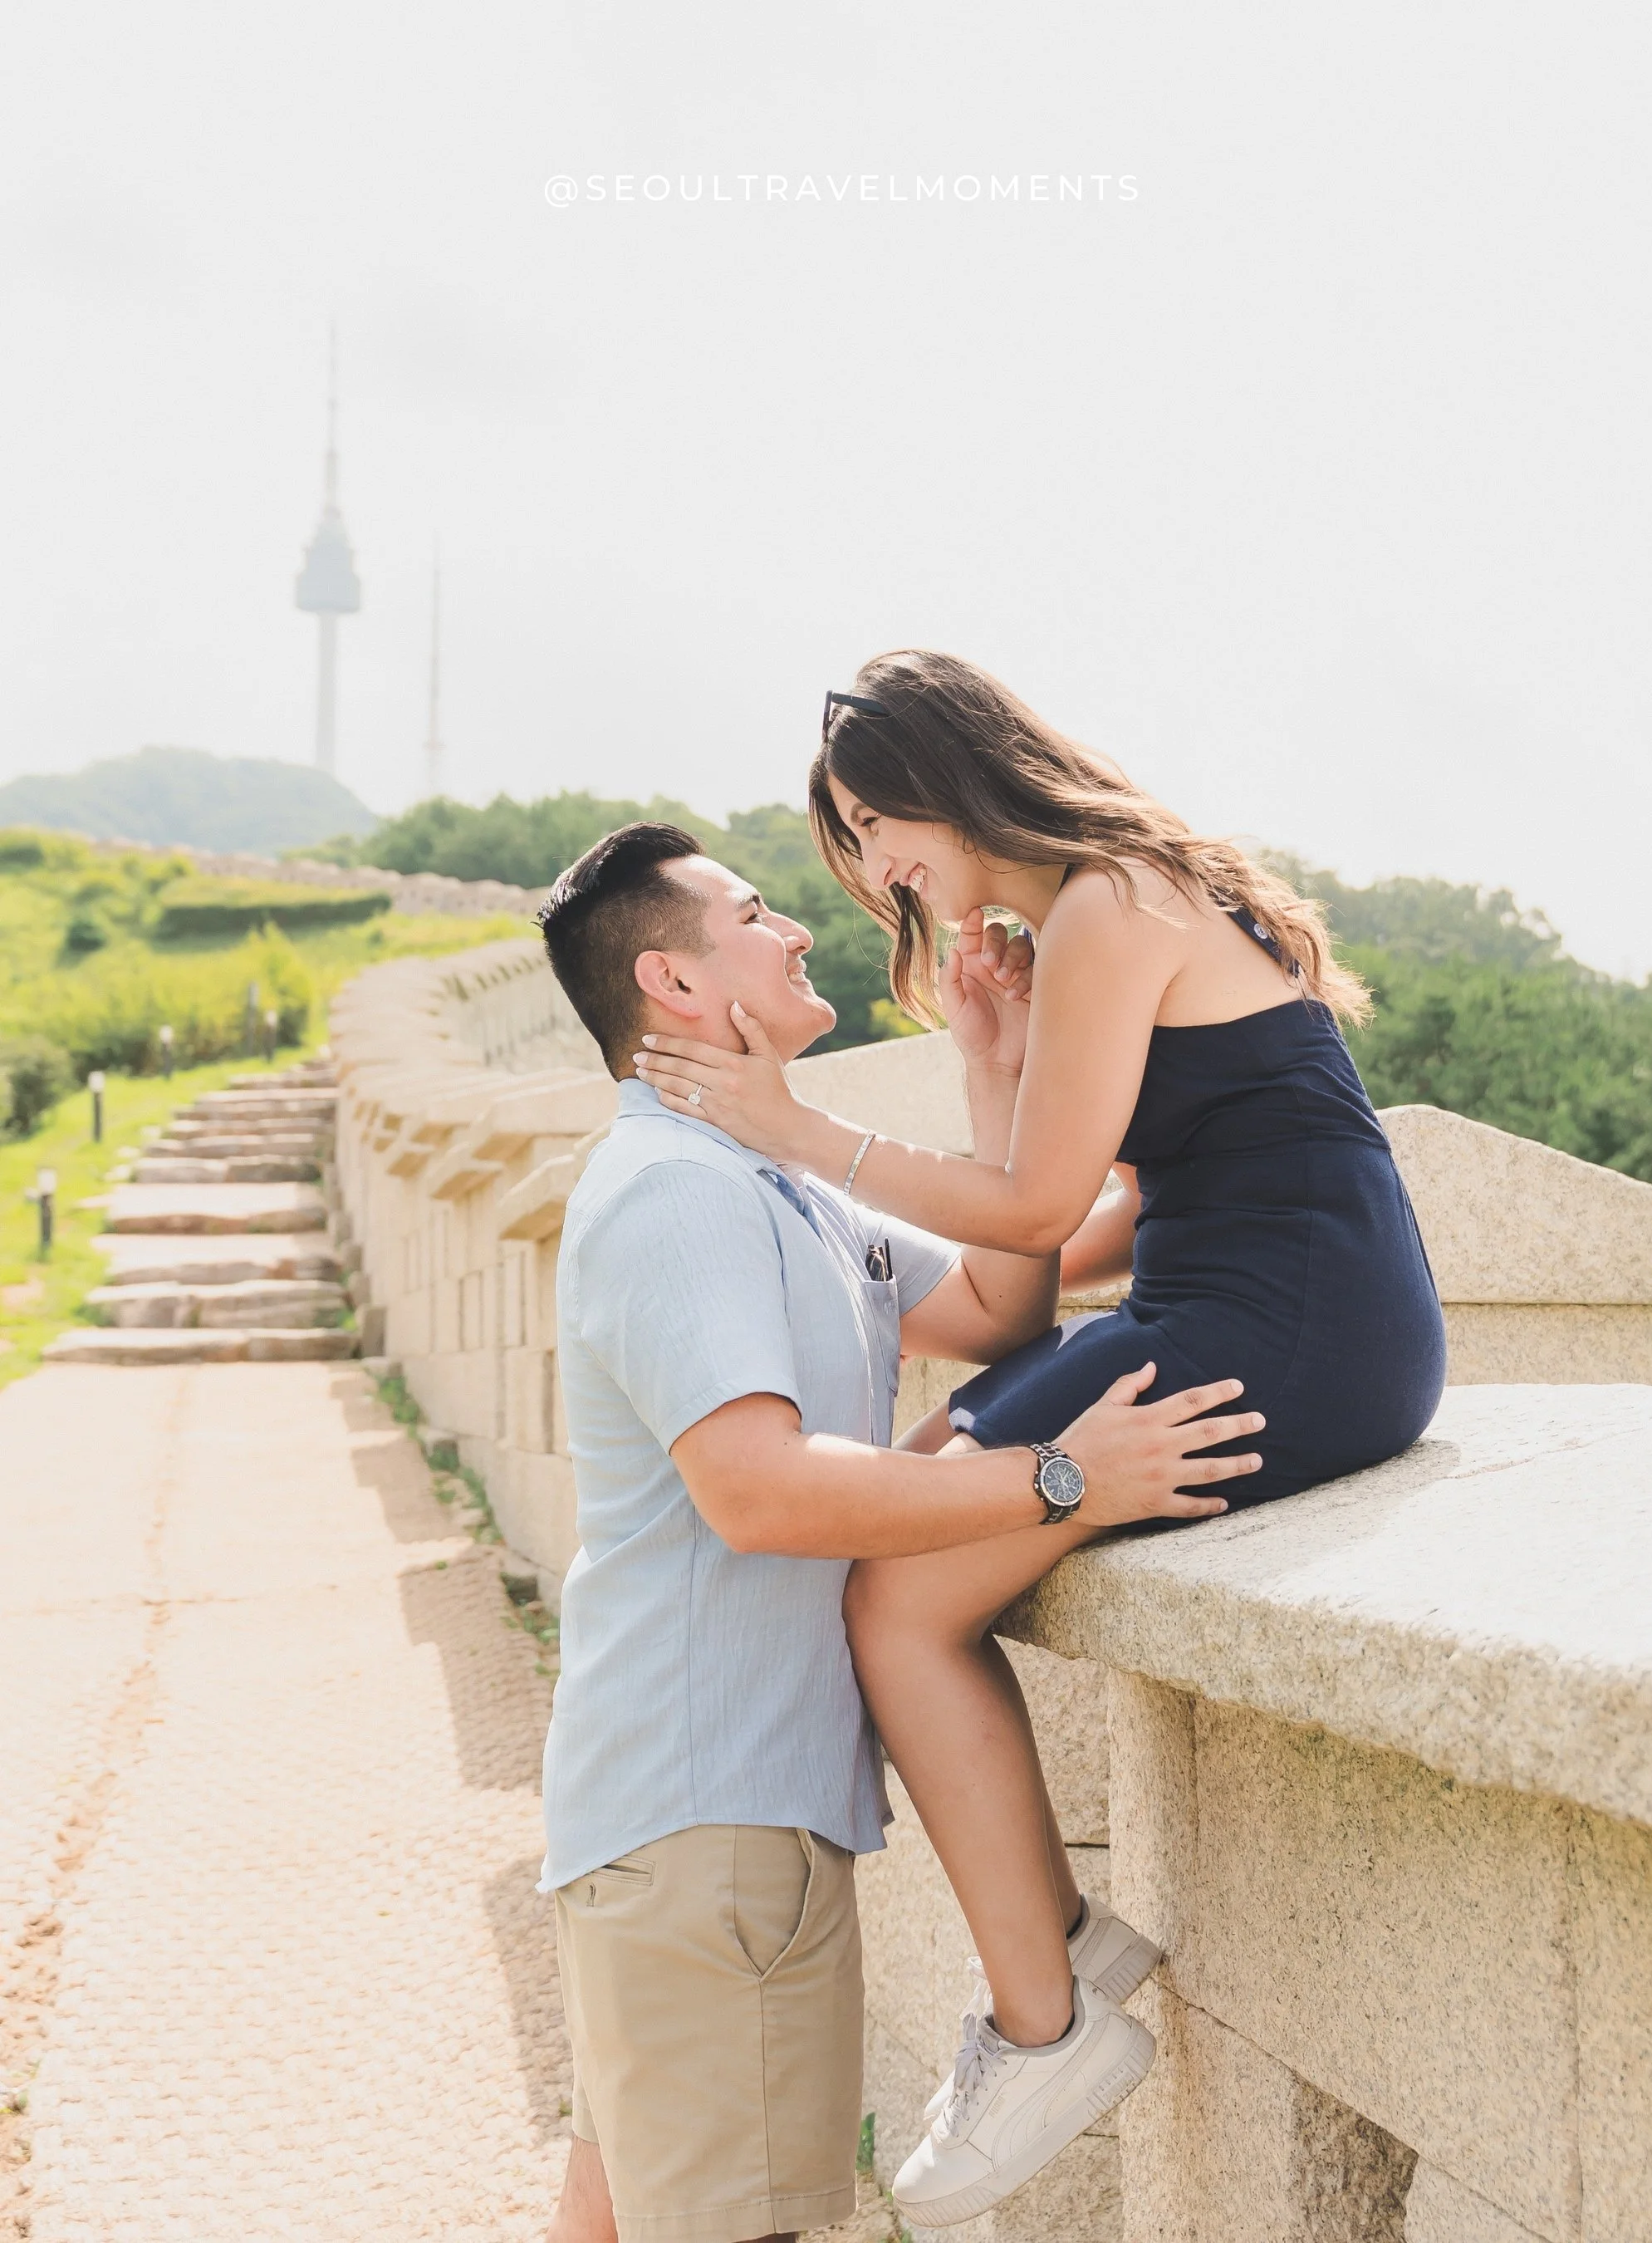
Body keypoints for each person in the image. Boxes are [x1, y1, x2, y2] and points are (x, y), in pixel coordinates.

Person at [630, 653, 1449, 2223]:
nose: (874, 873)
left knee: (895, 1588)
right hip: (1269, 1300)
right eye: (848, 845)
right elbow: (1070, 1231)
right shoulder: (1099, 909)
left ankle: (1045, 2022)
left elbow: (1028, 1212)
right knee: (914, 1512)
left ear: (951, 774)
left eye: (872, 825)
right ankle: (1054, 1939)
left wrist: (789, 1126)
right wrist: (991, 1065)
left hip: (1284, 1324)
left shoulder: (1111, 905)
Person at [533, 820, 1266, 2243]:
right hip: (708, 1823)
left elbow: (998, 1309)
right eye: (753, 914)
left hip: (689, 1815)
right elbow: (761, 1492)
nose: (799, 929)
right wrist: (1063, 1480)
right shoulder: (677, 1195)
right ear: (675, 986)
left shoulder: (778, 1177)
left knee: (611, 2221)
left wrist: (1000, 1072)